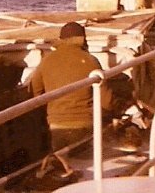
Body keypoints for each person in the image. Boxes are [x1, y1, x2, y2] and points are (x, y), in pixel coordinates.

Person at [29, 21, 115, 179]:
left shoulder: (46, 61)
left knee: (62, 161)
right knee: (89, 162)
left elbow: (35, 92)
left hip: (57, 126)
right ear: (83, 39)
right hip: (86, 126)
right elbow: (107, 101)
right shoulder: (91, 60)